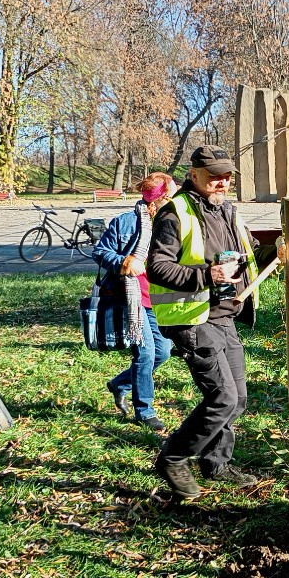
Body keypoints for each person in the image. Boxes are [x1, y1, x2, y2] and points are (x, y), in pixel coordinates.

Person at [147, 145, 286, 499]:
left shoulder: (228, 211)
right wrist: (207, 275)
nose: (222, 182)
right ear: (194, 175)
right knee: (222, 396)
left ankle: (216, 464)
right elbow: (157, 268)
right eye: (214, 177)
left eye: (226, 177)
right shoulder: (174, 213)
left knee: (237, 398)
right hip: (192, 317)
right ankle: (173, 457)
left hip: (225, 314)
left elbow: (250, 254)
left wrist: (281, 250)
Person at [93, 173, 176, 432]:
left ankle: (120, 384)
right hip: (132, 299)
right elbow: (101, 252)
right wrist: (126, 262)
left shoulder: (173, 223)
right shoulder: (126, 222)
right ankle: (145, 411)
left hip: (160, 299)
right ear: (159, 199)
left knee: (162, 352)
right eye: (171, 196)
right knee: (146, 353)